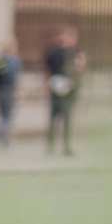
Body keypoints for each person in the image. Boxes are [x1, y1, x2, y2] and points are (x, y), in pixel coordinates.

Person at [43, 27, 85, 156]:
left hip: (55, 86)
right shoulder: (70, 53)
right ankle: (64, 147)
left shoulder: (52, 50)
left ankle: (51, 147)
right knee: (65, 118)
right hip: (66, 87)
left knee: (54, 118)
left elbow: (46, 65)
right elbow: (76, 69)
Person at [0, 38, 21, 148]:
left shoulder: (5, 60)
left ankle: (3, 139)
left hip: (3, 89)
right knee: (6, 117)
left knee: (6, 116)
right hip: (6, 89)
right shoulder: (7, 60)